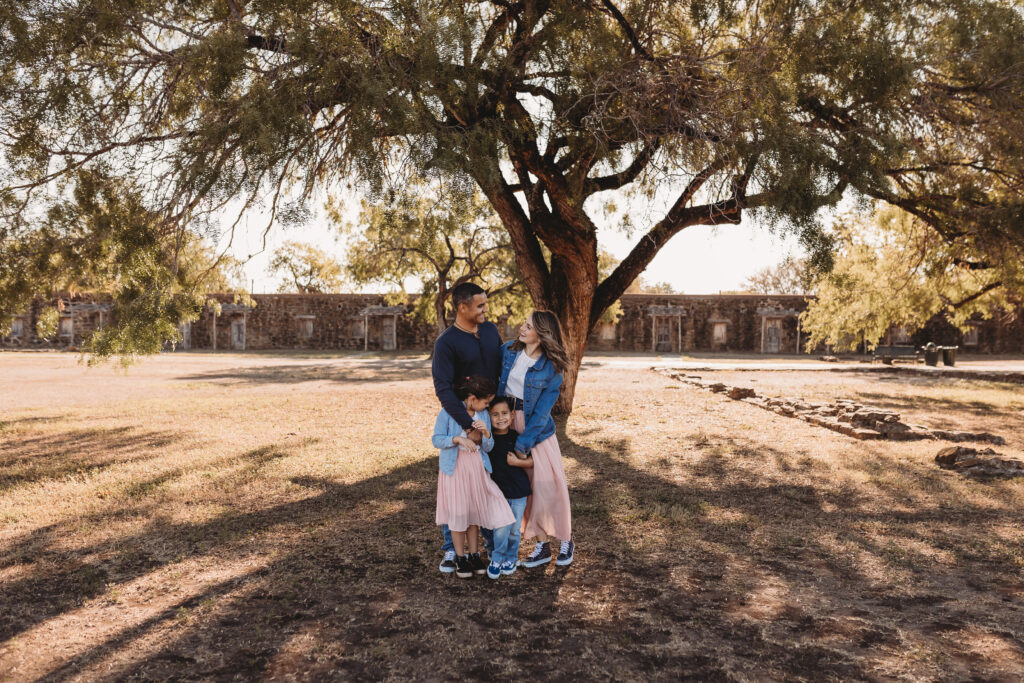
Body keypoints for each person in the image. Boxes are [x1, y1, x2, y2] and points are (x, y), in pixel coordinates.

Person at [431, 282, 503, 573]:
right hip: (462, 421)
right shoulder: (446, 343)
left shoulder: (490, 331)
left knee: (484, 481)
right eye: (480, 305)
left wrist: (496, 416)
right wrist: (467, 426)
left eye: (486, 304)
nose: (486, 309)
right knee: (456, 489)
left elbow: (500, 368)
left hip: (492, 418)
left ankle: (485, 546)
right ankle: (452, 549)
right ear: (462, 308)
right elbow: (443, 389)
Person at [497, 310, 575, 568]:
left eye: (528, 326)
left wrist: (523, 446)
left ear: (541, 335)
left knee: (549, 487)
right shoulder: (509, 351)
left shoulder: (552, 368)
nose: (522, 328)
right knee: (524, 489)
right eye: (524, 323)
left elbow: (542, 413)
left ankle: (566, 540)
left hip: (535, 429)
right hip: (507, 423)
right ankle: (541, 546)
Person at [432, 375, 514, 579]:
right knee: (459, 515)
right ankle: (460, 557)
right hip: (455, 471)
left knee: (473, 514)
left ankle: (474, 554)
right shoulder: (449, 412)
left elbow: (488, 447)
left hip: (477, 470)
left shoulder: (483, 415)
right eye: (485, 401)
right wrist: (457, 439)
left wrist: (487, 435)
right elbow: (436, 439)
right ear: (472, 398)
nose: (488, 406)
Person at [481, 396, 532, 579]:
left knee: (513, 528)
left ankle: (511, 557)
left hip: (518, 491)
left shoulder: (518, 438)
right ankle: (497, 558)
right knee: (500, 527)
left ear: (512, 415)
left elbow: (532, 461)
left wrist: (517, 462)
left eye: (504, 413)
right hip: (498, 492)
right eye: (495, 414)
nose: (500, 418)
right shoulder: (488, 441)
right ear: (489, 416)